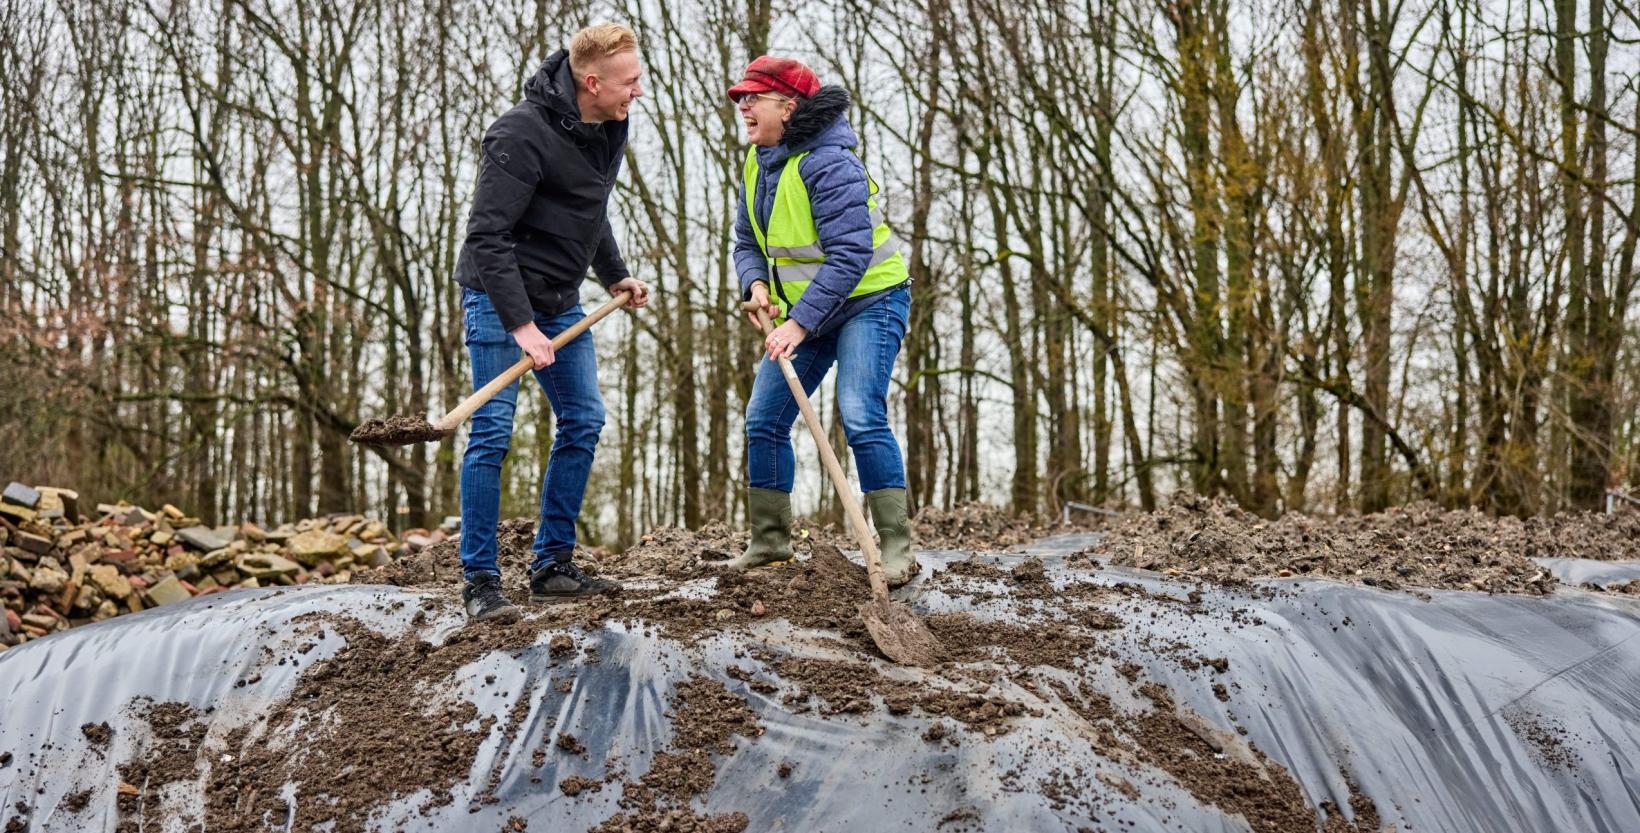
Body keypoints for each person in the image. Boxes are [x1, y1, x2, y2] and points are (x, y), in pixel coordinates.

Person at [453, 23, 651, 622]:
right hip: (499, 297)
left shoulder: (608, 125)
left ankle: (552, 565)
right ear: (591, 82)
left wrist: (613, 274)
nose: (636, 92)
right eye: (629, 82)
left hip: (562, 299)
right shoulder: (517, 134)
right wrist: (520, 326)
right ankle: (481, 580)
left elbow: (591, 209)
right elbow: (487, 238)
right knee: (491, 431)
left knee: (585, 417)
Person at [721, 56, 918, 585]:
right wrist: (755, 283)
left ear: (789, 106)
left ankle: (896, 547)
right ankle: (769, 543)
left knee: (859, 414)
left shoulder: (830, 163)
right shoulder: (757, 161)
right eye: (739, 98)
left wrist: (799, 324)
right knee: (763, 419)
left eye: (753, 98)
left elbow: (852, 254)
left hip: (869, 303)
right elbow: (746, 241)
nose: (742, 107)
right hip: (808, 314)